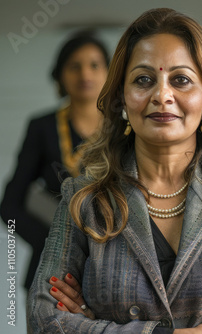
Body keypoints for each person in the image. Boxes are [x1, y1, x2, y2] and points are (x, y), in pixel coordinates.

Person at [27, 8, 202, 334]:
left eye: (181, 80)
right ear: (122, 98)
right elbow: (44, 320)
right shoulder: (85, 200)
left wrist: (97, 327)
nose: (162, 95)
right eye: (143, 80)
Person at [0, 30, 109, 289]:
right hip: (50, 270)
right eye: (74, 66)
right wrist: (50, 240)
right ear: (60, 74)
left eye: (94, 65)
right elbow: (9, 206)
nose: (85, 74)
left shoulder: (125, 128)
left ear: (109, 72)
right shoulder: (42, 127)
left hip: (110, 270)